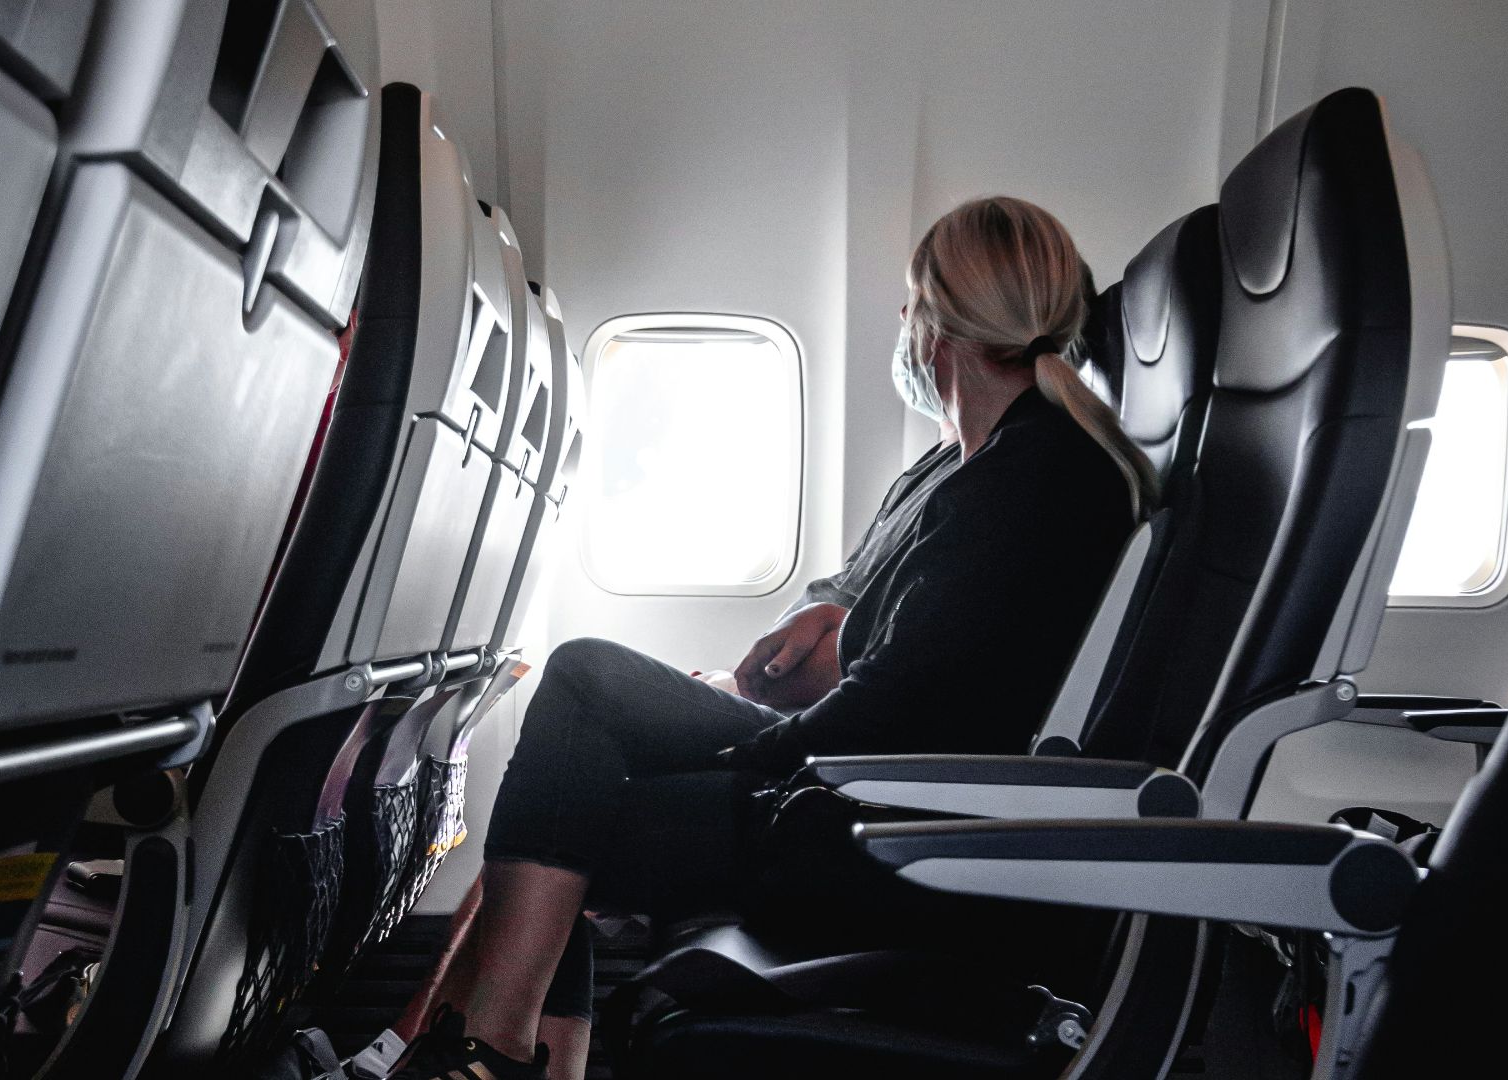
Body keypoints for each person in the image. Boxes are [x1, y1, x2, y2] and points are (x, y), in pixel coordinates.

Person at [386, 196, 1157, 1080]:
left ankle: (490, 1052)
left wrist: (743, 756)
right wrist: (777, 663)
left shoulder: (1034, 482)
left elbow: (897, 710)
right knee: (585, 699)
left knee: (579, 747)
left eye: (911, 302)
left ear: (940, 327)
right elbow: (900, 630)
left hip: (891, 823)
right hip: (867, 784)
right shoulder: (964, 465)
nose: (901, 322)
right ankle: (494, 1053)